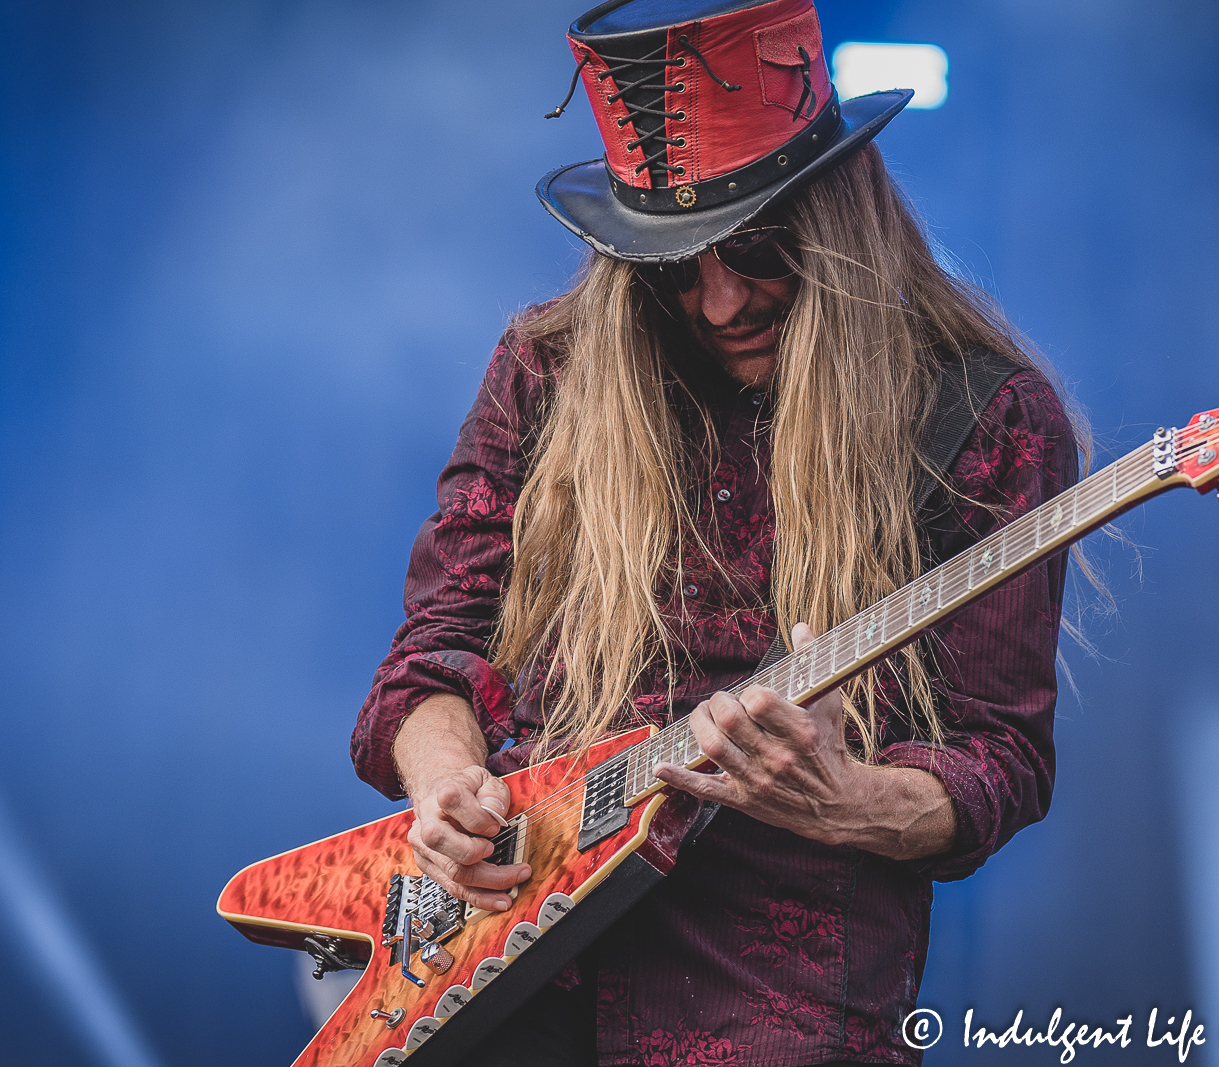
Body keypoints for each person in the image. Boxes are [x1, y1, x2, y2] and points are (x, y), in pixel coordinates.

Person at [351, 1, 1080, 1063]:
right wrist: (449, 784)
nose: (720, 298)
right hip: (496, 979)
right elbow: (433, 650)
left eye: (763, 250)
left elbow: (997, 757)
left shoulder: (977, 414)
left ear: (841, 226)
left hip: (771, 1001)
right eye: (672, 267)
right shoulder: (547, 368)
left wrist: (849, 800)